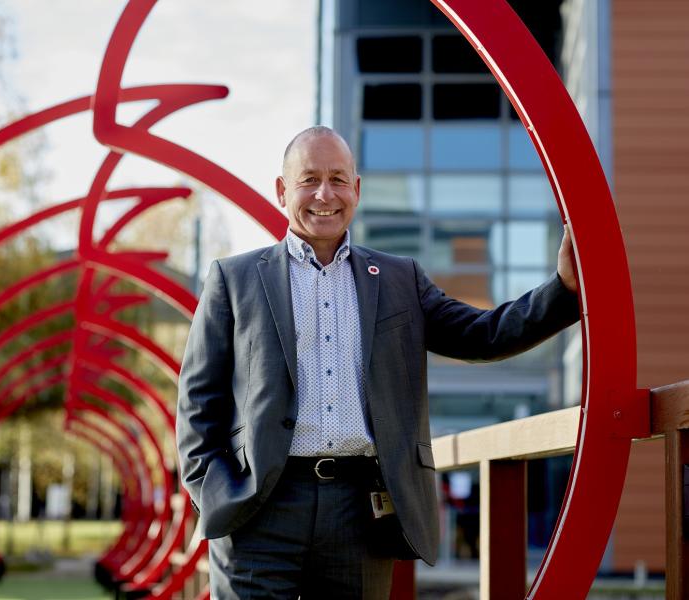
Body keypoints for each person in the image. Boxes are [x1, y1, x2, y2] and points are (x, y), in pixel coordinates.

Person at [176, 126, 579, 599]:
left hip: (360, 513)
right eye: (309, 179)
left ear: (357, 190)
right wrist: (216, 491)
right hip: (259, 509)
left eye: (338, 179)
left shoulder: (399, 279)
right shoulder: (234, 279)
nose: (324, 195)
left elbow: (483, 335)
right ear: (283, 191)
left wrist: (563, 290)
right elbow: (198, 400)